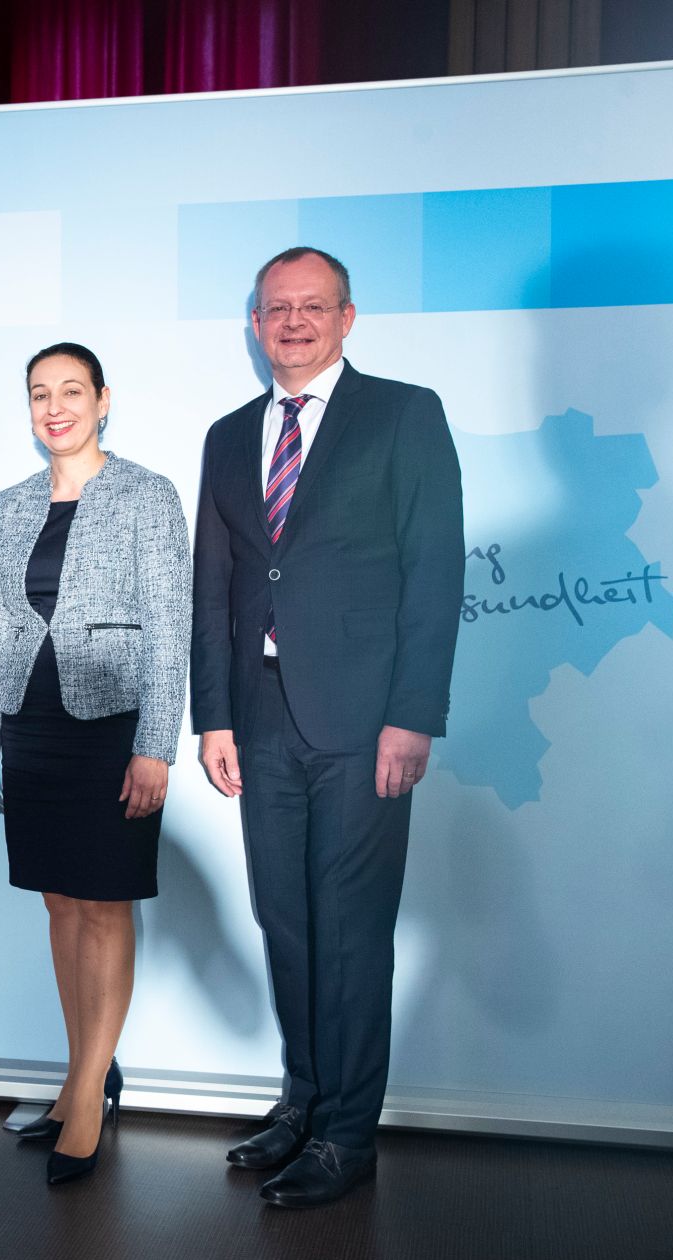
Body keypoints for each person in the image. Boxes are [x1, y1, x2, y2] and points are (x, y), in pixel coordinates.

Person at [191, 247, 464, 1208]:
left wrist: (412, 716)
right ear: (255, 323)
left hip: (365, 721)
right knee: (286, 918)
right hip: (259, 721)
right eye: (276, 308)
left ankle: (349, 1133)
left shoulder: (404, 414)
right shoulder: (229, 435)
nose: (293, 322)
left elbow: (436, 573)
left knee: (350, 929)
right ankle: (303, 1103)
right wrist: (212, 715)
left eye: (313, 307)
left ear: (348, 317)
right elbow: (215, 585)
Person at [0, 342, 191, 1186]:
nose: (54, 407)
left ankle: (90, 1092)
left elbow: (171, 629)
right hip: (33, 725)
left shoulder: (147, 494)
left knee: (105, 905)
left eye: (69, 391)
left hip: (113, 723)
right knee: (60, 902)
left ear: (102, 399)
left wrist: (156, 745)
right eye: (38, 394)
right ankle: (77, 1070)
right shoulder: (12, 502)